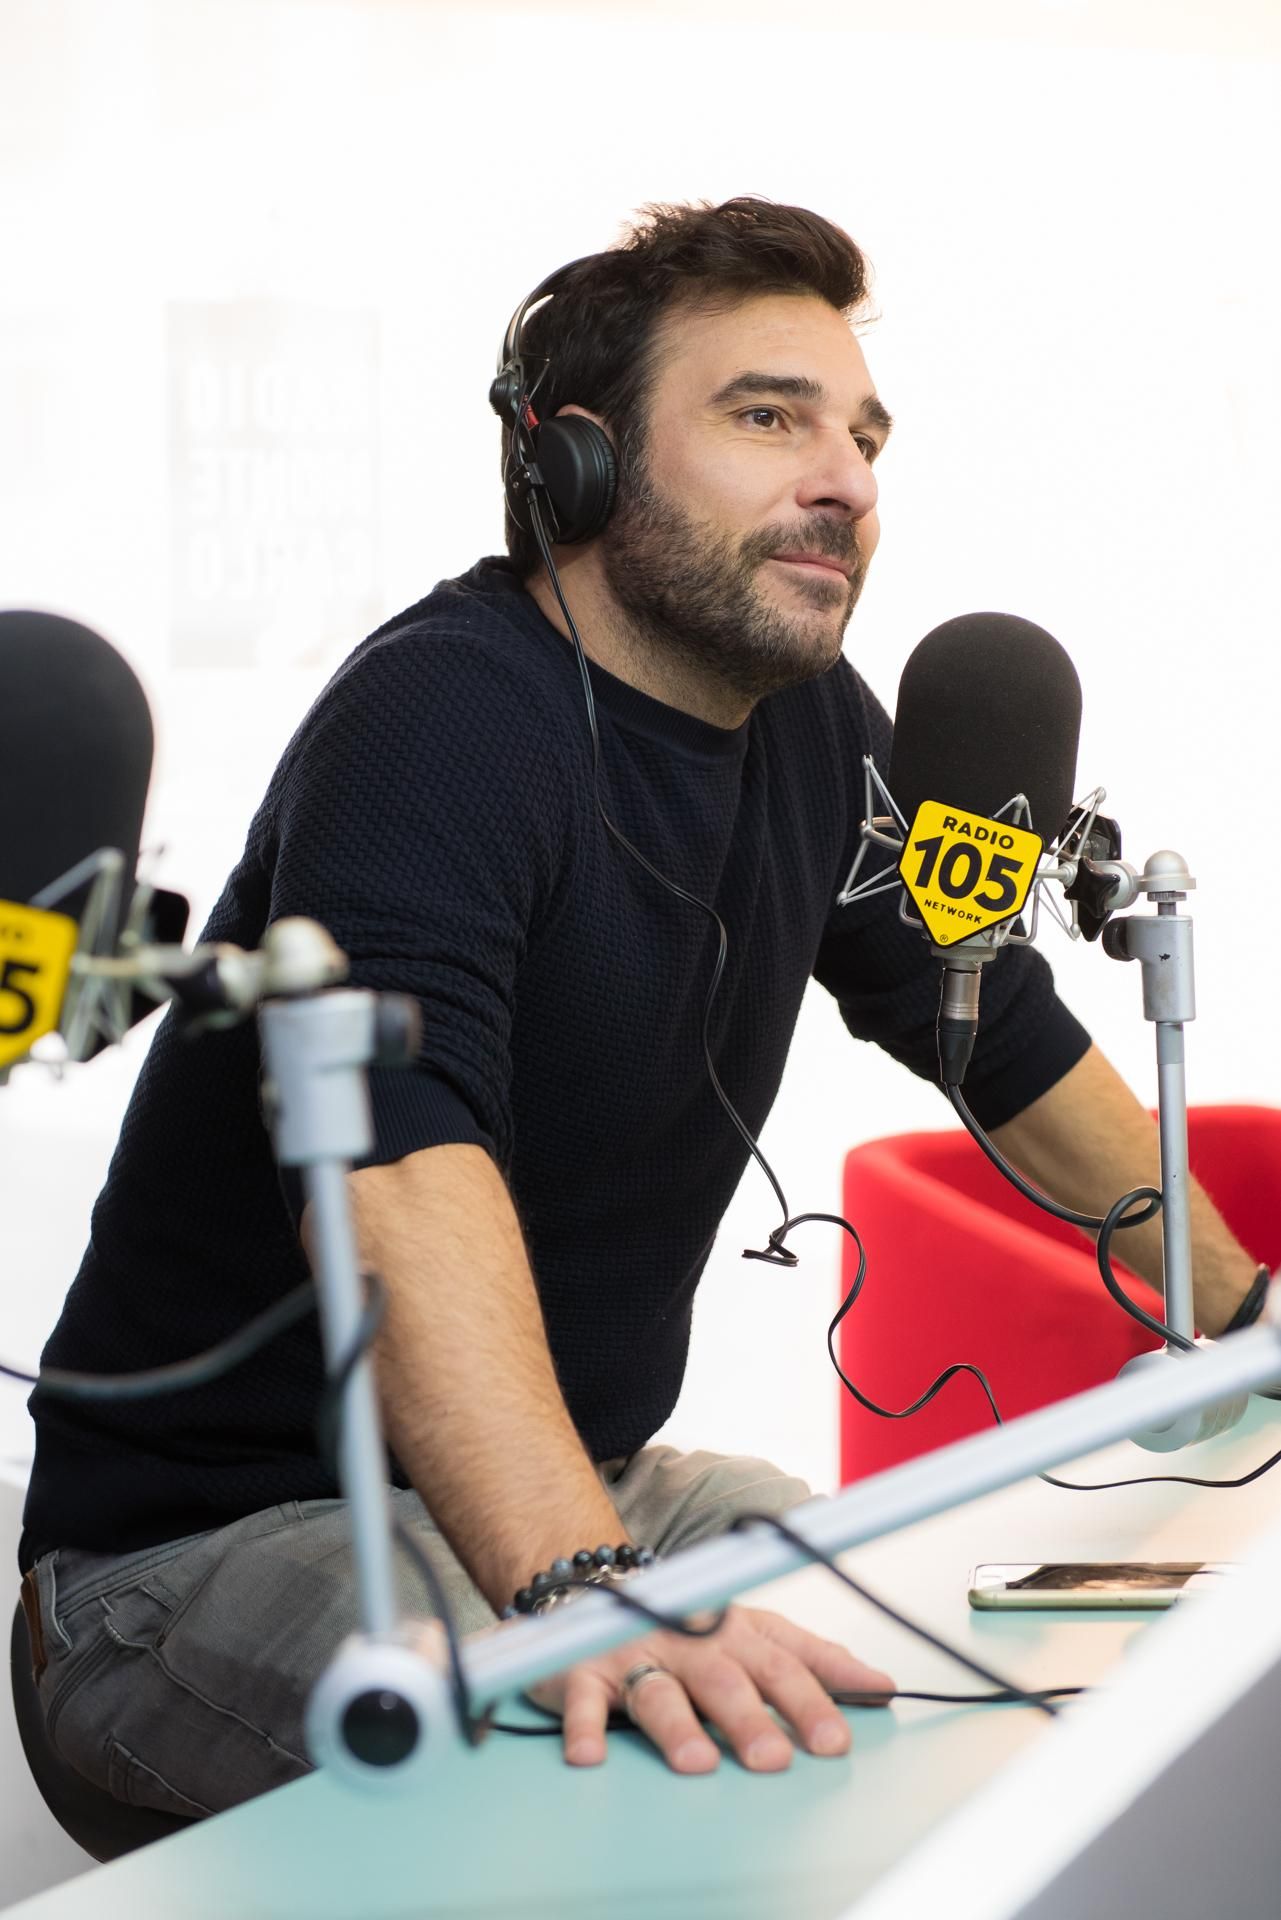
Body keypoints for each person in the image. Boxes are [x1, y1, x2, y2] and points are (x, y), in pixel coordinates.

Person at [17, 197, 1261, 1818]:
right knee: (644, 1776)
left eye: (862, 435)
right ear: (576, 464)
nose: (845, 480)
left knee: (918, 1667)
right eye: (768, 418)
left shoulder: (814, 727)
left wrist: (1251, 1318)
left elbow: (1000, 1036)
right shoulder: (443, 718)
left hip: (598, 1486)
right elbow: (400, 1170)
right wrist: (579, 1589)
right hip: (203, 1554)